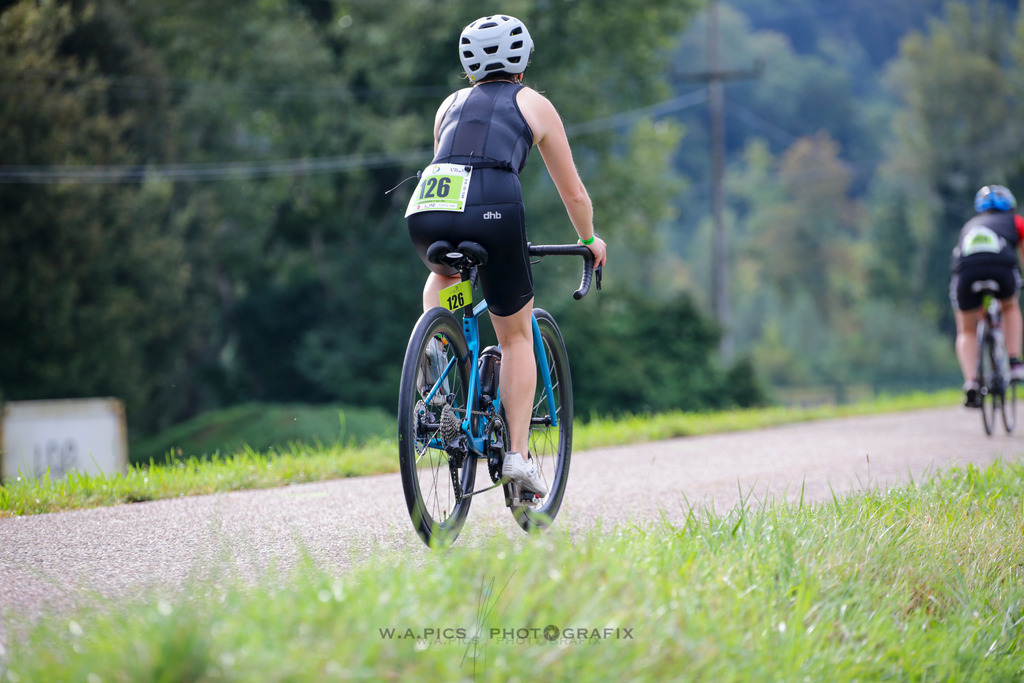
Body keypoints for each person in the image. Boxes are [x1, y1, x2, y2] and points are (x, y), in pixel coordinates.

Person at [405, 14, 607, 498]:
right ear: (522, 61)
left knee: (444, 276)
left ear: (469, 65)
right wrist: (588, 239)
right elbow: (574, 193)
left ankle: (438, 361)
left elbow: (452, 160)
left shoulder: (448, 104)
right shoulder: (533, 102)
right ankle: (516, 456)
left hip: (429, 207)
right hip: (493, 203)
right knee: (516, 335)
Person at [950, 184, 1024, 407]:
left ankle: (971, 381)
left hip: (966, 271)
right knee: (1010, 306)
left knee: (966, 329)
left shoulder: (970, 225)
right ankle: (1014, 362)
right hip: (1000, 266)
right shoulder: (1015, 221)